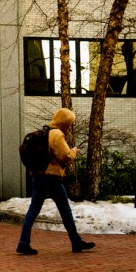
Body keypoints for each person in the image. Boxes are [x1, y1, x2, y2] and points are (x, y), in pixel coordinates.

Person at [16, 107, 96, 255]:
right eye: (69, 122)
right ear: (64, 122)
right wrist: (74, 152)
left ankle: (23, 242)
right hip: (52, 178)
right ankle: (76, 242)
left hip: (38, 176)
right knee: (65, 210)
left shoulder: (45, 132)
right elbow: (65, 156)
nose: (70, 125)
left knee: (33, 211)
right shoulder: (57, 134)